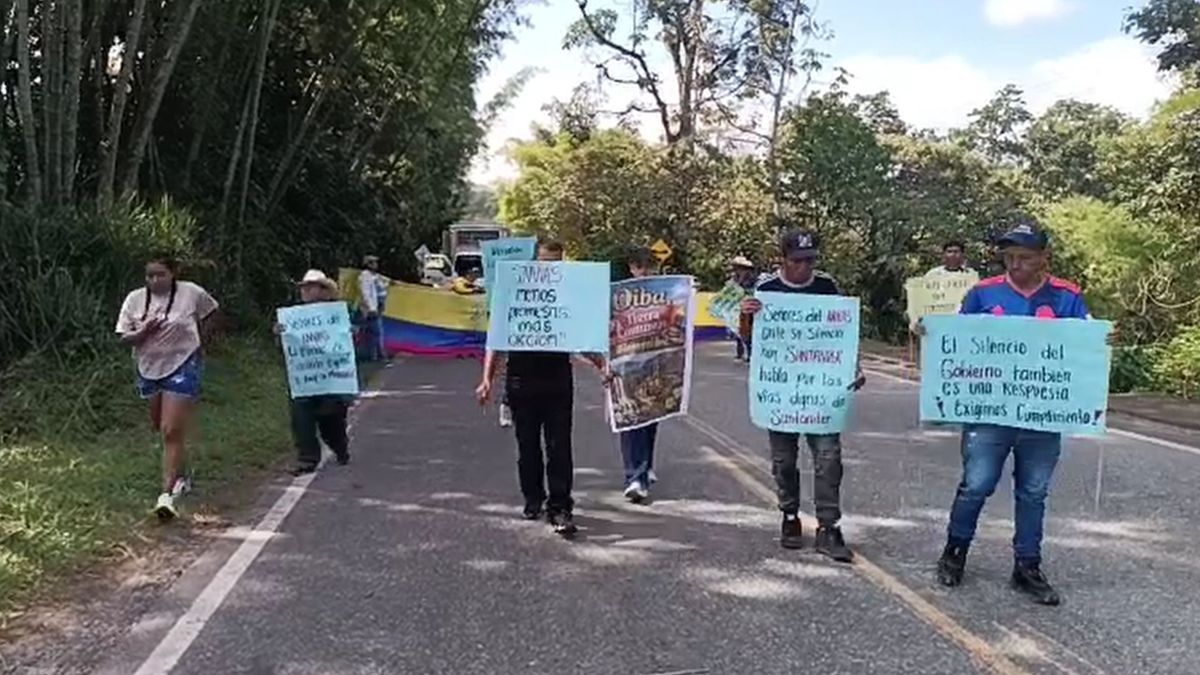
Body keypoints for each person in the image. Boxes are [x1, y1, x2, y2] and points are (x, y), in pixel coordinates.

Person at [928, 219, 1091, 606]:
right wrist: (931, 334)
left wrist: (1102, 338)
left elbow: (1085, 350)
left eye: (1024, 257)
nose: (1015, 264)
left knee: (1033, 492)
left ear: (1044, 258)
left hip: (1042, 415)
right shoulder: (982, 294)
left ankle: (1027, 566)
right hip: (989, 414)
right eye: (1009, 257)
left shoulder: (1067, 297)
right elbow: (957, 343)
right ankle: (955, 551)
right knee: (977, 484)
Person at [740, 230, 864, 563]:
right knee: (784, 461)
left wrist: (854, 368)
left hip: (821, 392)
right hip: (781, 392)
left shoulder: (826, 287)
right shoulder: (766, 290)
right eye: (797, 261)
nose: (804, 267)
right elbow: (750, 339)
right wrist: (747, 314)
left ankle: (828, 527)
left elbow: (841, 337)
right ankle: (790, 516)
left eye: (810, 260)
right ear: (783, 259)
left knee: (828, 459)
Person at [475, 239, 606, 538]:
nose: (551, 267)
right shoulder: (514, 295)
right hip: (522, 381)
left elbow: (581, 338)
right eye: (547, 261)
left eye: (557, 262)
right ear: (535, 262)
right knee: (527, 447)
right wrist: (487, 380)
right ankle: (533, 498)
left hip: (558, 380)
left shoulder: (567, 297)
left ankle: (560, 507)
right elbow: (496, 340)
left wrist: (603, 366)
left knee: (560, 447)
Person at [115, 255, 219, 520]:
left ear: (173, 274)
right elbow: (124, 337)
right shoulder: (134, 299)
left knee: (171, 429)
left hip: (184, 363)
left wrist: (202, 342)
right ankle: (181, 474)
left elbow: (212, 312)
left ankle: (166, 495)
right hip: (149, 367)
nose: (154, 280)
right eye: (149, 275)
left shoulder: (192, 293)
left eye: (160, 274)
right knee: (160, 427)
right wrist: (143, 332)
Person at [276, 270, 352, 475]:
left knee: (332, 421)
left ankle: (340, 447)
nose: (306, 291)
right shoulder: (294, 317)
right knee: (301, 418)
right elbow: (286, 348)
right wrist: (280, 334)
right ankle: (307, 459)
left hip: (332, 380)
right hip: (304, 379)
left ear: (325, 291)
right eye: (304, 287)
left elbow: (347, 342)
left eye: (311, 287)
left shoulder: (337, 315)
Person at [616, 247, 662, 503]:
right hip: (626, 366)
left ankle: (645, 465)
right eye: (641, 267)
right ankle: (635, 477)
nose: (646, 272)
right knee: (630, 419)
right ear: (632, 268)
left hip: (656, 366)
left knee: (651, 420)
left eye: (651, 267)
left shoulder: (664, 294)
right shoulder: (619, 295)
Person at [358, 254, 388, 361]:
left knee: (373, 332)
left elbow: (382, 284)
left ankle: (374, 354)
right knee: (376, 331)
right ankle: (377, 354)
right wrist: (371, 308)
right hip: (371, 309)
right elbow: (365, 293)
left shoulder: (373, 276)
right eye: (374, 263)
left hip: (375, 307)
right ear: (369, 264)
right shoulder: (365, 276)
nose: (376, 265)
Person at [729, 256, 756, 361]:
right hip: (739, 304)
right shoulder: (736, 277)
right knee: (739, 329)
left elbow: (749, 290)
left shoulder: (749, 277)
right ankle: (740, 352)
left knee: (747, 330)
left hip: (747, 305)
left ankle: (749, 354)